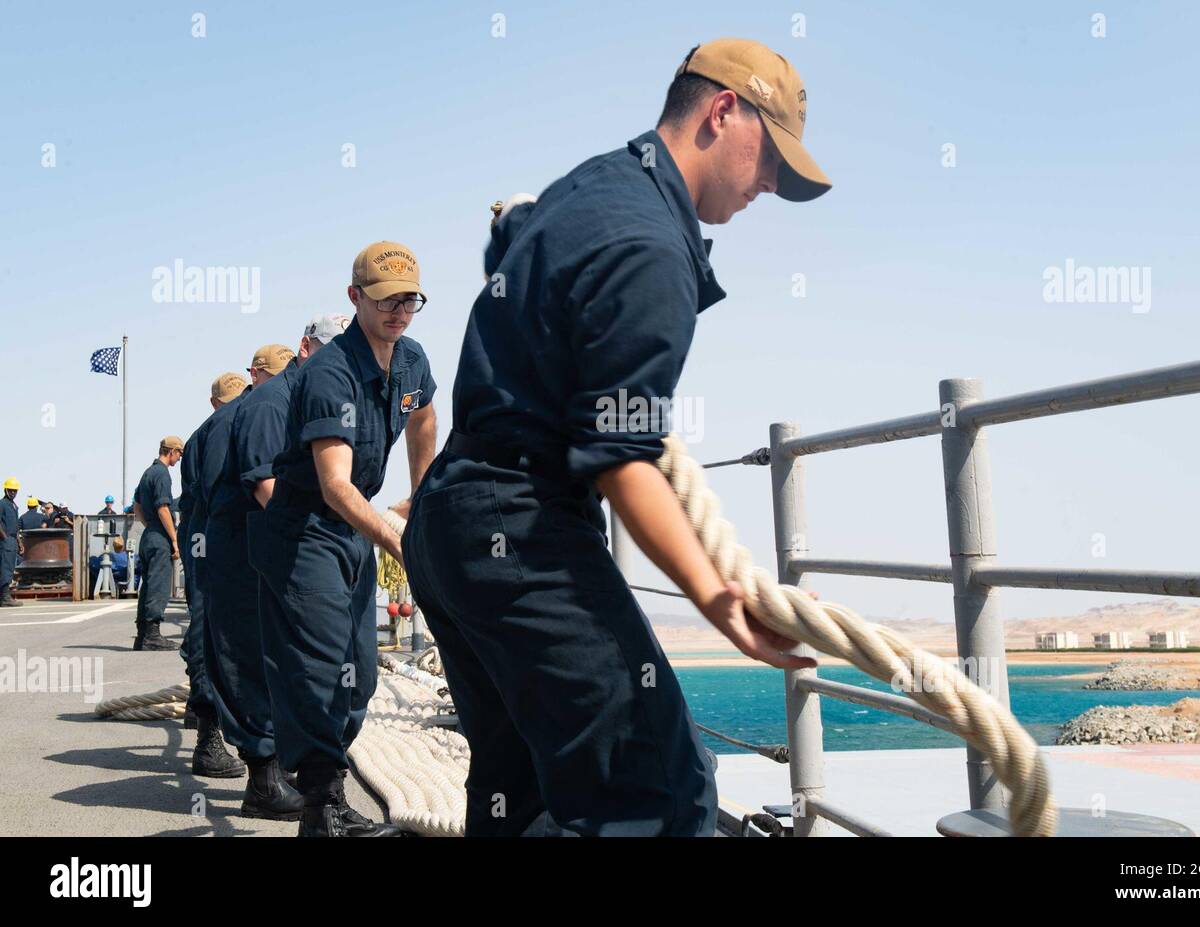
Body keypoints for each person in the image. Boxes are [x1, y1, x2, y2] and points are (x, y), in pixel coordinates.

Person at [401, 38, 829, 836]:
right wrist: (718, 598)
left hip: (452, 525)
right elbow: (622, 456)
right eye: (771, 156)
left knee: (518, 791)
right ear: (723, 111)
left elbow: (519, 267)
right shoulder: (650, 249)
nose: (770, 183)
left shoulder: (592, 185)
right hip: (518, 528)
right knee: (659, 790)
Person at [250, 243, 436, 837]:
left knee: (361, 670)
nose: (399, 310)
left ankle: (325, 787)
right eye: (385, 299)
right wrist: (400, 541)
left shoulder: (411, 360)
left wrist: (422, 499)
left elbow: (424, 416)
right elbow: (333, 485)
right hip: (305, 528)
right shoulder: (330, 373)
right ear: (355, 298)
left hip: (353, 529)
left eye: (410, 299)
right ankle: (321, 802)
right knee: (320, 664)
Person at [206, 338, 325, 820]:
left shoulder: (290, 401)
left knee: (267, 654)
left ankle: (274, 765)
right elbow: (257, 483)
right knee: (245, 654)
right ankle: (263, 781)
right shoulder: (267, 406)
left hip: (255, 541)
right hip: (243, 545)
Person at [177, 371, 249, 779]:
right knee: (210, 630)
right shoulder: (221, 430)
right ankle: (208, 740)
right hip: (214, 542)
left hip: (203, 538)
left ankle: (203, 715)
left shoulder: (203, 435)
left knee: (208, 626)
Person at [131, 436, 185, 651]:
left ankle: (142, 635)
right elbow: (163, 508)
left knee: (147, 585)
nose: (180, 458)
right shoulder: (162, 474)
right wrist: (173, 539)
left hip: (148, 535)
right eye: (179, 453)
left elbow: (136, 505)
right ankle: (152, 637)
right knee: (158, 585)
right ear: (171, 451)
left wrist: (150, 525)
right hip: (159, 537)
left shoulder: (147, 473)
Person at [0, 478, 20, 607]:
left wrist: (19, 542)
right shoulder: (2, 504)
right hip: (5, 540)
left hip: (13, 540)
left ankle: (4, 596)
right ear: (5, 490)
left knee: (10, 568)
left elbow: (16, 526)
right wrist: (5, 537)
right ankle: (5, 597)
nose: (13, 493)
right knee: (5, 568)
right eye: (11, 490)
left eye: (15, 491)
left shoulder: (14, 506)